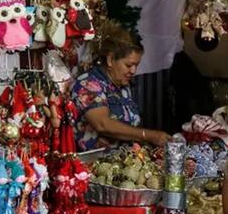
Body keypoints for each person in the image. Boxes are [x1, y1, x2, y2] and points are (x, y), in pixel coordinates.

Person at [71, 23, 170, 151]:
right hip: (96, 164)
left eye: (136, 65)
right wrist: (148, 135)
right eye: (129, 65)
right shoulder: (88, 84)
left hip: (126, 162)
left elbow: (130, 129)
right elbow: (102, 124)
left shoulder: (122, 85)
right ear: (110, 60)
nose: (134, 71)